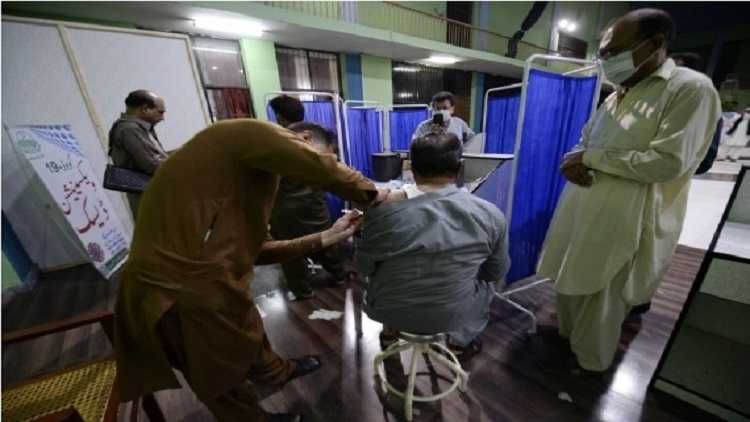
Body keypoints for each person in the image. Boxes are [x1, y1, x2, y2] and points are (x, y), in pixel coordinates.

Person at [115, 118, 387, 422]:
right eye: (328, 154)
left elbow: (257, 250)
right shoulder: (245, 132)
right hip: (176, 288)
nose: (311, 183)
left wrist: (324, 237)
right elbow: (319, 166)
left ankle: (274, 372)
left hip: (210, 279)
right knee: (216, 372)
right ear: (304, 137)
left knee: (245, 327)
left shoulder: (245, 177)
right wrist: (374, 195)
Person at [537, 8, 721, 372]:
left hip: (627, 212)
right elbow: (586, 140)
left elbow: (667, 161)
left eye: (614, 51)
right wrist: (578, 158)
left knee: (604, 290)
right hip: (582, 202)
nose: (607, 60)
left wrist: (590, 157)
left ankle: (590, 362)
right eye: (603, 53)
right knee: (570, 277)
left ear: (655, 44)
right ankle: (567, 339)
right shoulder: (615, 95)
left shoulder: (690, 88)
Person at [358, 131, 510, 358]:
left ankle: (390, 331)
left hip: (387, 310)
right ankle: (460, 341)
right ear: (460, 167)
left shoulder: (381, 213)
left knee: (384, 272)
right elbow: (494, 271)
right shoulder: (490, 214)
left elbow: (363, 267)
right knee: (487, 283)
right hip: (453, 315)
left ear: (411, 167)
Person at [270, 122, 359, 300]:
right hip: (311, 209)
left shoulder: (272, 153)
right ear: (308, 137)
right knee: (327, 243)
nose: (329, 157)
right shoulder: (314, 158)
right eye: (329, 151)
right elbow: (341, 181)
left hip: (280, 213)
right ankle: (339, 275)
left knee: (290, 254)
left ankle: (301, 291)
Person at [108, 90, 169, 219]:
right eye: (160, 112)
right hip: (149, 197)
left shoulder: (141, 128)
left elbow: (156, 156)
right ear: (145, 109)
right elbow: (153, 165)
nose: (163, 118)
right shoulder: (129, 129)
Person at [411, 91, 476, 144]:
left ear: (452, 109)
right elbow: (414, 145)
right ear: (433, 109)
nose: (441, 111)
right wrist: (429, 136)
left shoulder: (459, 124)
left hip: (453, 159)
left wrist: (464, 151)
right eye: (438, 108)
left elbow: (472, 138)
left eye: (445, 108)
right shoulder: (424, 126)